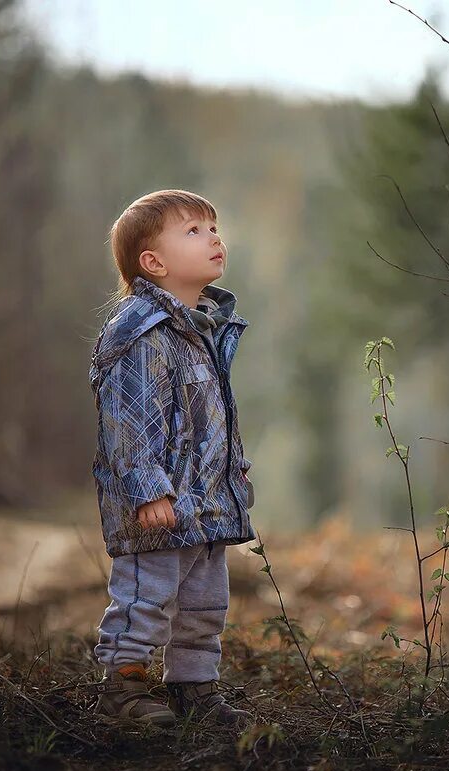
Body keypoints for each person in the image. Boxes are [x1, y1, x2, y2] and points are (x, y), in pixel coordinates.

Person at [87, 189, 256, 729]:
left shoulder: (200, 329)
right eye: (193, 231)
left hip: (202, 504)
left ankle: (193, 688)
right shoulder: (142, 332)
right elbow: (129, 419)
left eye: (213, 227)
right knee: (146, 599)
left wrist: (232, 470)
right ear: (154, 263)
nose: (213, 238)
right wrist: (146, 488)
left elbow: (208, 415)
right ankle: (123, 687)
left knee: (204, 607)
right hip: (156, 507)